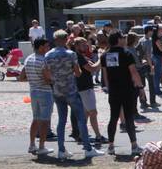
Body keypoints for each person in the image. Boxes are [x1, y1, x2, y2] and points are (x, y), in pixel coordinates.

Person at [45, 31, 97, 161]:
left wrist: (55, 79)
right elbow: (78, 73)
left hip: (57, 90)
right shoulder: (71, 54)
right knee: (81, 119)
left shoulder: (48, 55)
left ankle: (61, 149)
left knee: (61, 120)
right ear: (66, 39)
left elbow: (46, 74)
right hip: (71, 90)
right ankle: (87, 148)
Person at [102, 31, 143, 158]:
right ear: (119, 40)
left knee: (113, 117)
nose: (125, 40)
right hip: (127, 89)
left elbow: (105, 75)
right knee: (129, 117)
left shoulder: (105, 55)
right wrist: (140, 87)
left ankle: (110, 145)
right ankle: (134, 145)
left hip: (114, 90)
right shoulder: (126, 54)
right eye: (123, 38)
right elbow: (133, 72)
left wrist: (109, 89)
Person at [19, 37, 52, 157]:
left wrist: (33, 80)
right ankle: (42, 146)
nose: (48, 48)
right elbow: (48, 79)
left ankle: (32, 144)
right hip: (45, 92)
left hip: (33, 91)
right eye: (47, 46)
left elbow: (21, 77)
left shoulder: (28, 59)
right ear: (41, 47)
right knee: (45, 120)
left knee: (36, 119)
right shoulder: (44, 60)